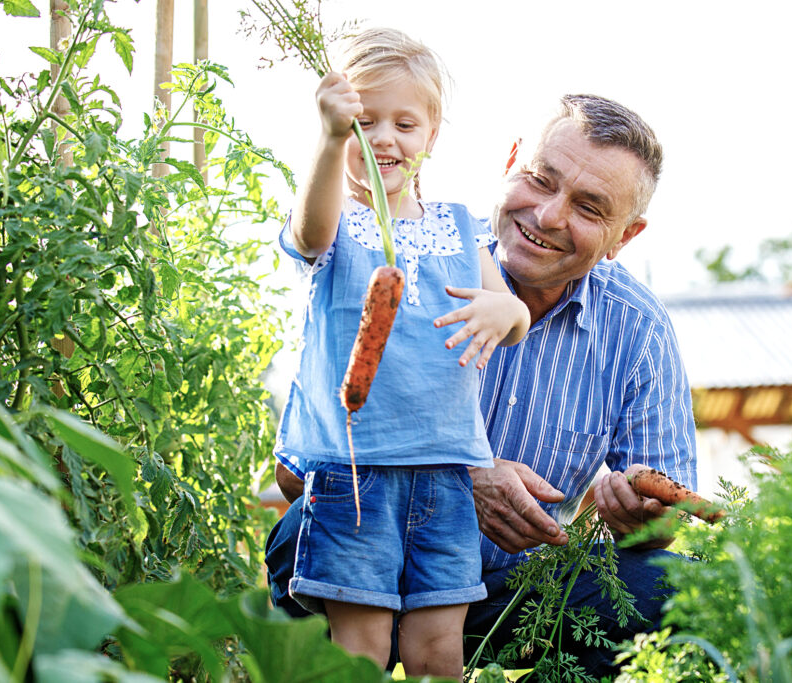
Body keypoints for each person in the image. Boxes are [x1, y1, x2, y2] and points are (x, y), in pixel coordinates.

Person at [267, 91, 698, 678]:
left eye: (590, 208)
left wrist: (639, 514)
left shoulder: (638, 330)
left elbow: (669, 514)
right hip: (373, 564)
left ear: (626, 235)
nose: (548, 216)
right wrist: (461, 475)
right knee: (302, 532)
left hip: (517, 594)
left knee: (667, 587)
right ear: (510, 160)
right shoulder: (413, 253)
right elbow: (299, 471)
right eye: (540, 180)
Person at [274, 28, 530, 679]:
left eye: (405, 123)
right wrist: (331, 141)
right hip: (355, 471)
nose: (384, 137)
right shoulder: (336, 223)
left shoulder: (457, 222)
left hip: (447, 471)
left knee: (439, 649)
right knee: (358, 645)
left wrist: (509, 310)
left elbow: (511, 312)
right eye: (366, 121)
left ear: (433, 134)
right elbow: (308, 232)